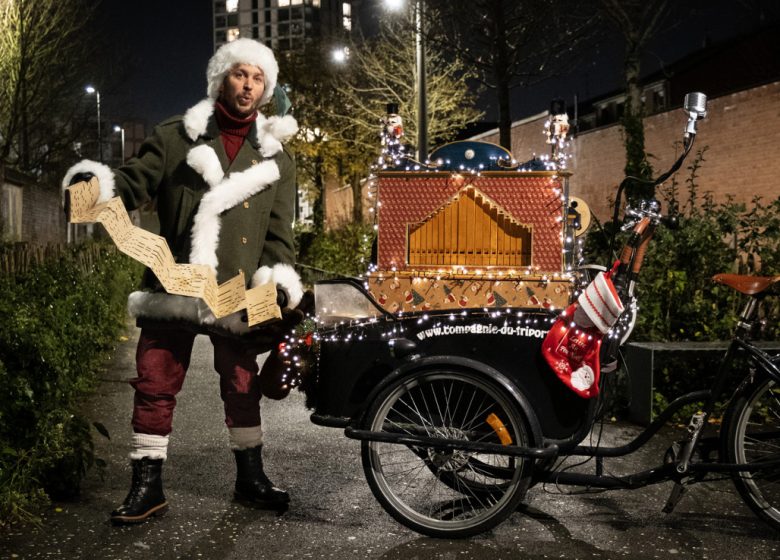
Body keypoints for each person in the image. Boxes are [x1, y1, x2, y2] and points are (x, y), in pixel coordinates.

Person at [62, 38, 303, 524]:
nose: (248, 85)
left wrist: (276, 278)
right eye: (240, 74)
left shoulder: (277, 157)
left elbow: (279, 234)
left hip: (237, 289)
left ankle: (250, 478)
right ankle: (147, 486)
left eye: (258, 78)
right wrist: (92, 190)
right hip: (173, 281)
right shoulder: (177, 136)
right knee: (155, 379)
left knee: (241, 384)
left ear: (266, 88)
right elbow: (133, 181)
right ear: (222, 79)